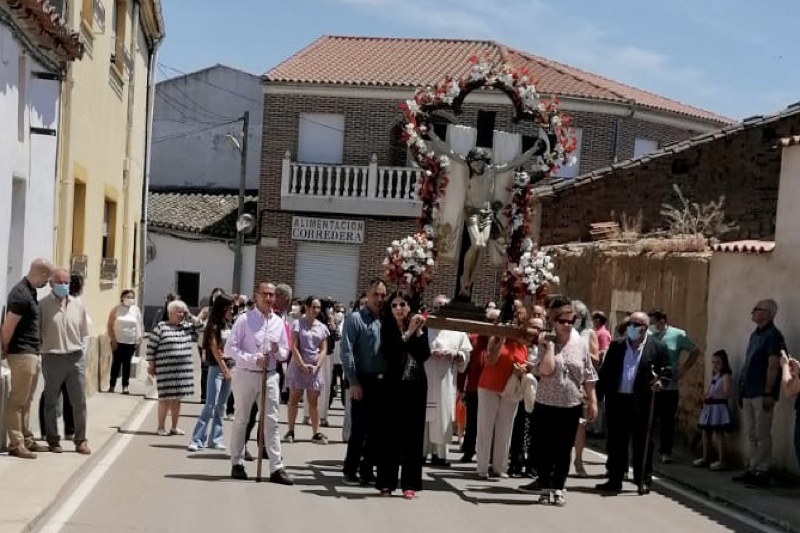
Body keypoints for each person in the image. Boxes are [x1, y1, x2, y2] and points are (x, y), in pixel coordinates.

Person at [523, 298, 597, 506]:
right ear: (553, 321)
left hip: (570, 404)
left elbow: (589, 374)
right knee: (545, 448)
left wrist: (592, 401)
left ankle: (558, 487)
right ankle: (545, 487)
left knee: (564, 449)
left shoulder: (579, 343)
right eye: (562, 321)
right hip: (546, 403)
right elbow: (546, 370)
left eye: (571, 321)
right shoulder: (545, 340)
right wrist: (549, 346)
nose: (566, 325)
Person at [595, 311, 671, 494]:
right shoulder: (617, 346)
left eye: (636, 325)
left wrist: (661, 382)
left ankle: (642, 479)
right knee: (616, 442)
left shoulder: (658, 348)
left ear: (645, 328)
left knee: (642, 443)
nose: (632, 328)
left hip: (642, 402)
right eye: (630, 324)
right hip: (618, 400)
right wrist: (596, 398)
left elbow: (667, 371)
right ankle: (614, 479)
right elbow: (605, 373)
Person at [225, 282, 293, 484]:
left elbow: (284, 353)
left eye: (272, 295)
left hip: (269, 375)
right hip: (246, 374)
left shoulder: (278, 322)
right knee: (242, 419)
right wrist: (253, 358)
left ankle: (276, 467)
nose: (269, 298)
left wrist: (276, 351)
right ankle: (237, 462)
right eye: (265, 294)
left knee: (271, 421)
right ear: (256, 296)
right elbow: (230, 349)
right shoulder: (244, 320)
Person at [377, 291, 430, 498]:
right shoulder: (387, 327)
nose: (399, 308)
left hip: (415, 386)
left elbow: (424, 354)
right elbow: (388, 352)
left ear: (409, 307)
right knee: (389, 434)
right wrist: (407, 333)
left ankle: (410, 483)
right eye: (394, 305)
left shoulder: (419, 326)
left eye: (402, 304)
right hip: (393, 385)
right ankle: (386, 482)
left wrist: (417, 331)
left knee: (413, 435)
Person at [1, 258, 53, 459]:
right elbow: (8, 327)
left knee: (27, 400)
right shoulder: (21, 294)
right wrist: (5, 349)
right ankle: (17, 443)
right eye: (47, 279)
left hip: (32, 352)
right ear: (42, 274)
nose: (47, 283)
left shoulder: (30, 291)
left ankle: (27, 438)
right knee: (17, 400)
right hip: (22, 352)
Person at [734, 299, 785, 488]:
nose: (753, 312)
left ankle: (762, 470)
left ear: (768, 313)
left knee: (762, 433)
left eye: (757, 309)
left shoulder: (773, 336)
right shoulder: (755, 335)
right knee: (751, 432)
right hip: (749, 390)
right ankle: (752, 467)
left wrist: (768, 392)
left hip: (761, 392)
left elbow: (773, 366)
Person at [340, 279, 388, 485]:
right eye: (375, 294)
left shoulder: (386, 319)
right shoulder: (355, 319)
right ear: (367, 295)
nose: (379, 299)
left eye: (382, 295)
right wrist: (353, 382)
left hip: (382, 381)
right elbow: (346, 351)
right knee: (359, 429)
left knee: (376, 430)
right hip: (362, 380)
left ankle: (367, 469)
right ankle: (350, 469)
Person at [40, 267, 91, 455]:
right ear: (51, 283)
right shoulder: (42, 305)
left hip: (75, 357)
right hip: (52, 357)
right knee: (51, 401)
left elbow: (83, 332)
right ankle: (53, 440)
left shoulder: (78, 305)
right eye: (59, 282)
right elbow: (37, 333)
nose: (63, 286)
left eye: (66, 282)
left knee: (79, 402)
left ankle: (81, 440)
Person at [476, 305, 529, 479]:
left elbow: (525, 364)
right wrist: (503, 338)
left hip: (510, 390)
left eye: (517, 322)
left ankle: (500, 467)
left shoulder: (522, 345)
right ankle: (482, 467)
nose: (514, 325)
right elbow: (491, 360)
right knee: (485, 427)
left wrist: (522, 369)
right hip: (489, 386)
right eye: (511, 321)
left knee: (505, 429)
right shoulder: (496, 338)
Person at [648, 308, 701, 464]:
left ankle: (666, 451)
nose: (651, 325)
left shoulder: (677, 335)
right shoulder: (649, 336)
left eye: (653, 322)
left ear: (662, 321)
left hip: (669, 386)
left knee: (667, 421)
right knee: (648, 420)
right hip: (650, 385)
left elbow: (695, 350)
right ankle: (646, 449)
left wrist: (684, 369)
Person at [187, 293, 234, 451]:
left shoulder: (229, 325)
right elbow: (215, 349)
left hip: (230, 367)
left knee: (221, 405)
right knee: (210, 405)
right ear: (223, 308)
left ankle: (215, 439)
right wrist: (225, 369)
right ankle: (197, 439)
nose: (232, 311)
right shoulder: (213, 327)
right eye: (229, 308)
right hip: (217, 368)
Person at [424, 322, 471, 466]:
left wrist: (455, 354)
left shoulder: (456, 329)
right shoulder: (426, 327)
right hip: (426, 376)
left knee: (443, 416)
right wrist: (429, 352)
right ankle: (422, 452)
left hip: (446, 379)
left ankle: (440, 454)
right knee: (424, 417)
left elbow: (466, 354)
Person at [146, 300, 195, 436]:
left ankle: (174, 427)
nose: (181, 315)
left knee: (177, 399)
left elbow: (202, 327)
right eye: (179, 312)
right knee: (165, 399)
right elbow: (151, 347)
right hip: (166, 371)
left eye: (183, 312)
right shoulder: (161, 327)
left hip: (182, 372)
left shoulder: (186, 327)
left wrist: (190, 316)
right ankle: (161, 427)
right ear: (170, 313)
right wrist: (151, 365)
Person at [285, 296, 329, 444]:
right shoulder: (298, 324)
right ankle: (291, 430)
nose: (316, 310)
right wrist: (301, 364)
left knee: (313, 401)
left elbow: (323, 349)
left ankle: (316, 432)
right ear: (307, 307)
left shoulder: (322, 327)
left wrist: (318, 365)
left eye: (318, 307)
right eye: (313, 307)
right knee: (294, 398)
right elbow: (294, 346)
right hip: (299, 365)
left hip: (314, 368)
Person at [693, 349, 733, 470]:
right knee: (706, 433)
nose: (715, 365)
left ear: (724, 363)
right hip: (709, 407)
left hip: (718, 408)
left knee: (719, 434)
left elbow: (727, 394)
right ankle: (706, 458)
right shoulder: (714, 376)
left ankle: (722, 460)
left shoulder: (725, 376)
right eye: (713, 362)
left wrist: (713, 396)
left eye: (718, 362)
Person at [107, 289, 144, 394]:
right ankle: (112, 385)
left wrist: (140, 338)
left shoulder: (136, 310)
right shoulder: (116, 309)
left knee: (127, 365)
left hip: (130, 342)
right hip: (118, 341)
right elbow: (110, 325)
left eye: (132, 297)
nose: (130, 299)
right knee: (116, 364)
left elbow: (140, 324)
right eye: (128, 297)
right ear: (122, 298)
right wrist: (113, 339)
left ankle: (125, 386)